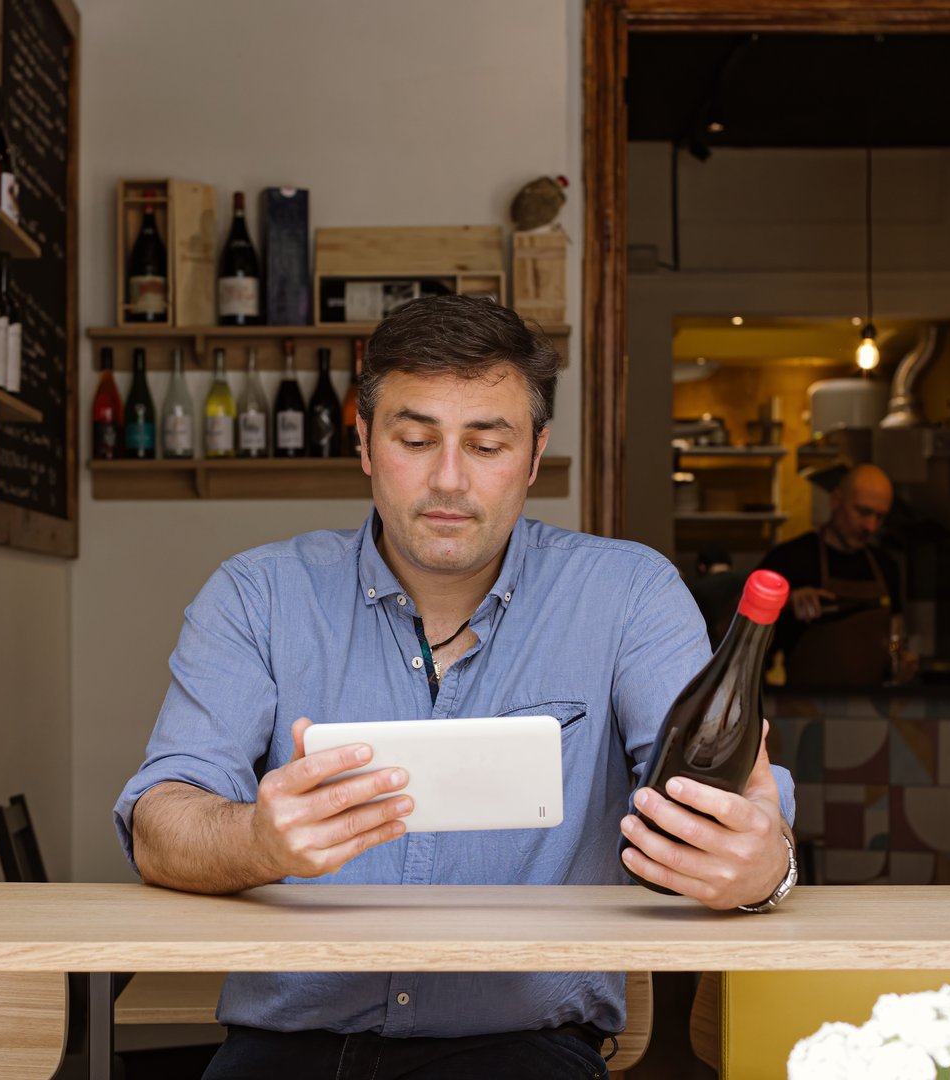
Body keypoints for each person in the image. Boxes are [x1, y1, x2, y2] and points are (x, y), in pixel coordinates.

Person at [114, 295, 797, 1080]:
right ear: (365, 442)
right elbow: (160, 821)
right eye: (414, 439)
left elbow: (731, 805)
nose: (448, 480)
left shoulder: (629, 595)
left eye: (486, 444)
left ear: (535, 456)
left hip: (526, 1051)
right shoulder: (257, 596)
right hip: (286, 1053)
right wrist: (258, 842)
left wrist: (762, 867)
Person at [756, 463, 912, 686]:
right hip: (797, 710)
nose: (871, 526)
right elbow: (734, 630)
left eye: (880, 517)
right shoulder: (788, 559)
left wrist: (901, 664)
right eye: (863, 512)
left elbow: (895, 638)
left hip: (870, 710)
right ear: (836, 501)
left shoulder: (886, 567)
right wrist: (784, 600)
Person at [686, 545, 740, 643]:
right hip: (746, 647)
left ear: (701, 566)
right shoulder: (748, 581)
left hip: (712, 649)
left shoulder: (698, 588)